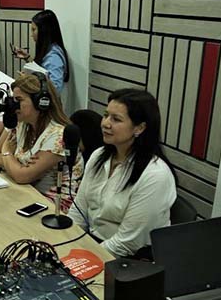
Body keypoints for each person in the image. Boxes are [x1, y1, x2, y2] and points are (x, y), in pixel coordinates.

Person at [68, 89, 177, 258]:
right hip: (92, 245)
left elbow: (128, 243)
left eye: (116, 119)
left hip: (127, 262)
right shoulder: (99, 156)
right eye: (105, 115)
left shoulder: (155, 175)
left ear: (139, 128)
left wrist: (83, 259)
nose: (105, 123)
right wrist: (66, 244)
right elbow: (79, 211)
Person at [0, 73, 83, 211]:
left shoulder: (58, 135)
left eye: (19, 100)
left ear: (41, 102)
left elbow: (22, 176)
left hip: (55, 205)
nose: (14, 105)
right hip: (27, 192)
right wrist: (16, 166)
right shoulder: (21, 123)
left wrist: (7, 152)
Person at [12, 9, 70, 93]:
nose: (31, 35)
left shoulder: (54, 57)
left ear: (44, 31)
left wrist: (28, 81)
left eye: (33, 29)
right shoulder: (50, 50)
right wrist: (27, 57)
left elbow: (55, 89)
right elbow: (43, 70)